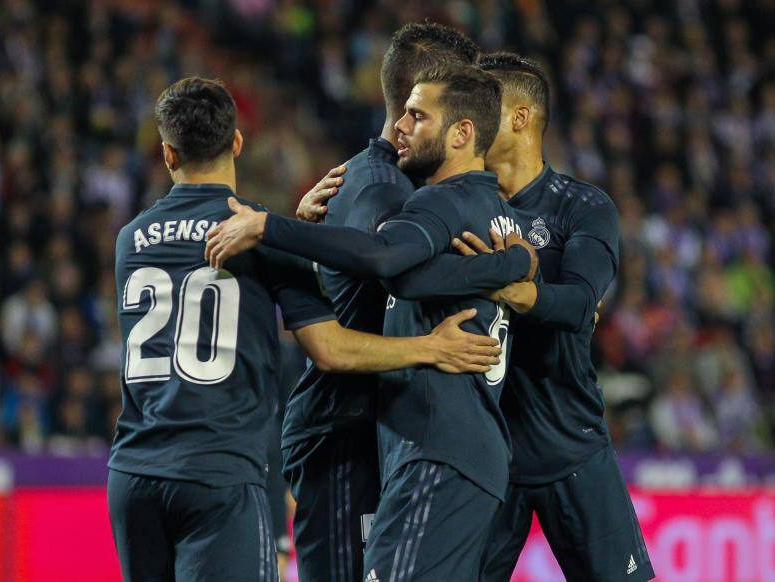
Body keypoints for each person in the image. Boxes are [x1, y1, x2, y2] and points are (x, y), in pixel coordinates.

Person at [107, 76, 504, 582]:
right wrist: (430, 347)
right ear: (236, 143)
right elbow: (330, 350)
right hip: (218, 472)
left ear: (167, 154)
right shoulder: (259, 235)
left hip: (134, 472)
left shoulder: (129, 240)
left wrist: (292, 234)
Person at [205, 65, 537, 581]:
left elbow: (388, 263)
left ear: (462, 132)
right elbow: (416, 277)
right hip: (472, 452)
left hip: (437, 449)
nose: (398, 125)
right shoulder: (503, 215)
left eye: (417, 114)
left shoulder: (438, 201)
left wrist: (270, 226)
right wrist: (517, 264)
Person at [276, 22, 491, 582]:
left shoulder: (403, 187)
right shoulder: (381, 191)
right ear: (417, 103)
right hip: (343, 431)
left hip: (371, 428)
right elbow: (383, 268)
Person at [456, 53, 654, 581]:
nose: (466, 117)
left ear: (520, 119)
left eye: (483, 105)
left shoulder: (582, 208)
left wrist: (514, 286)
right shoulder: (454, 204)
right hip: (485, 453)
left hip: (570, 442)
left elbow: (576, 306)